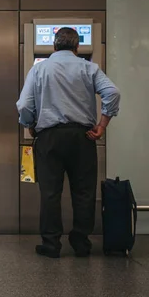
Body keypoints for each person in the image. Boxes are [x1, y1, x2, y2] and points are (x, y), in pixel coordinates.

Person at [16, 27, 121, 259]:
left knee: (50, 192)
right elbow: (112, 92)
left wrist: (30, 124)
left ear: (54, 46)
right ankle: (81, 243)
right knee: (83, 192)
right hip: (82, 138)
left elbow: (24, 105)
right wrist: (102, 125)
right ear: (77, 47)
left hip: (49, 137)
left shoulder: (39, 69)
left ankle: (51, 244)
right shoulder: (89, 68)